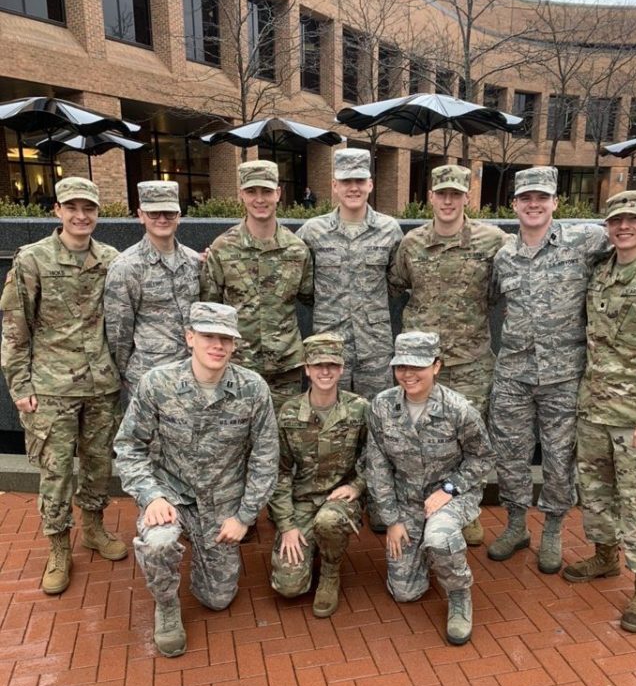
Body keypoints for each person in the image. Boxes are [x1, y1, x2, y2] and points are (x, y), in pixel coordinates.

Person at [487, 165, 636, 575]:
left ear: (555, 202)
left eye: (542, 198)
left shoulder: (584, 240)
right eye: (526, 199)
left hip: (565, 376)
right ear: (514, 204)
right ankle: (516, 524)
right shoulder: (502, 255)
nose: (533, 205)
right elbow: (486, 299)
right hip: (513, 375)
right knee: (511, 456)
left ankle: (553, 528)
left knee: (559, 458)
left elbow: (635, 245)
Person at [114, 302, 278, 657]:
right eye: (208, 336)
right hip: (170, 497)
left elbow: (266, 460)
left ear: (234, 345)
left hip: (222, 505)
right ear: (190, 337)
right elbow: (128, 446)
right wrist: (151, 496)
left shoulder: (253, 389)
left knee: (217, 599)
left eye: (225, 338)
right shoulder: (158, 383)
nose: (217, 345)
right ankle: (167, 605)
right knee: (158, 544)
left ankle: (202, 550)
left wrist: (245, 517)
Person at [0, 176, 126, 595]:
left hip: (101, 384)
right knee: (55, 473)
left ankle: (92, 528)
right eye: (71, 207)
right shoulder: (32, 260)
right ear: (57, 210)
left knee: (96, 465)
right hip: (52, 386)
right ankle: (58, 548)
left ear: (97, 214)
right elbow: (14, 330)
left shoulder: (111, 258)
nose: (80, 216)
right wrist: (20, 386)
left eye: (88, 208)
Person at [563, 191, 636, 633]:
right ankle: (606, 556)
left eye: (633, 219)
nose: (623, 227)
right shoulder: (602, 271)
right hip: (594, 408)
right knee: (595, 492)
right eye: (616, 221)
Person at [390, 164, 507, 546]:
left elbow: (532, 260)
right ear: (431, 197)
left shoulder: (493, 241)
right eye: (441, 193)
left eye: (455, 194)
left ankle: (466, 509)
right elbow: (397, 283)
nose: (448, 200)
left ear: (466, 197)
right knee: (424, 438)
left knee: (470, 439)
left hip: (471, 360)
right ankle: (423, 505)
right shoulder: (411, 244)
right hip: (424, 365)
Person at [367, 331, 494, 645]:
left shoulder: (458, 409)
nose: (408, 375)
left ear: (436, 366)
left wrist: (448, 490)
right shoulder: (382, 406)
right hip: (407, 500)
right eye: (401, 367)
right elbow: (378, 464)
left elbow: (483, 457)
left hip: (449, 495)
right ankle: (428, 549)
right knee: (405, 592)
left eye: (417, 366)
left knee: (438, 536)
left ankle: (459, 593)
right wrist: (392, 521)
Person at [268, 333, 368, 617]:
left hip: (340, 499)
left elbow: (376, 456)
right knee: (289, 587)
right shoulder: (289, 413)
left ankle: (330, 572)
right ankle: (306, 548)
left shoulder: (359, 408)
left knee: (329, 520)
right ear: (306, 369)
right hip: (302, 501)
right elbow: (280, 471)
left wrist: (359, 486)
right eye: (318, 365)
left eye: (332, 365)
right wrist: (286, 526)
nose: (326, 371)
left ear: (342, 369)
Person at [200, 160, 312, 413]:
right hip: (238, 364)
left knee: (284, 440)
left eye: (266, 191)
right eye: (251, 192)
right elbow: (210, 308)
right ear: (241, 194)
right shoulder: (223, 248)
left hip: (285, 367)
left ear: (279, 194)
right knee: (237, 438)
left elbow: (309, 295)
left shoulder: (297, 249)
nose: (259, 199)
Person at [297, 148, 403, 400]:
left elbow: (397, 280)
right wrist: (330, 304)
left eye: (359, 181)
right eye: (346, 181)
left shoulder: (389, 229)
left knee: (379, 415)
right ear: (335, 185)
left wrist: (370, 303)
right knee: (332, 420)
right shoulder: (313, 231)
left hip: (375, 347)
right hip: (329, 346)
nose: (353, 187)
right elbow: (300, 280)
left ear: (370, 184)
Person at [104, 180, 200, 397]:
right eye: (154, 213)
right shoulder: (126, 266)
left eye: (169, 213)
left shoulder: (194, 261)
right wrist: (127, 373)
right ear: (141, 215)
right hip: (150, 378)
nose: (162, 219)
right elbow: (119, 333)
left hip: (193, 374)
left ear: (179, 216)